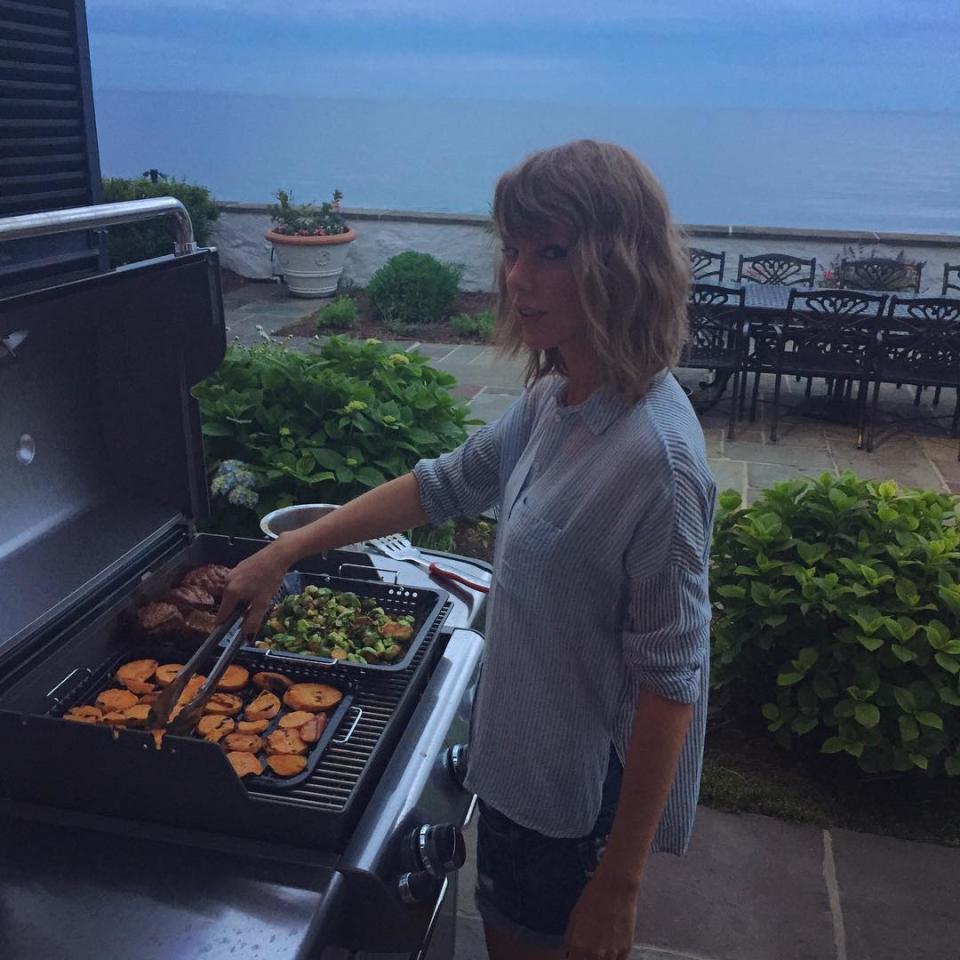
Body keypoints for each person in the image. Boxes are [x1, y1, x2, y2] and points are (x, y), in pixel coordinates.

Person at [218, 139, 716, 960]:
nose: (517, 277)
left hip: (569, 808)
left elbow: (672, 685)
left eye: (551, 252)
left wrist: (617, 889)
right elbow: (441, 484)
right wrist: (287, 551)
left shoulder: (655, 462)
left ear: (621, 263)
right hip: (517, 766)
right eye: (513, 250)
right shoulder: (558, 399)